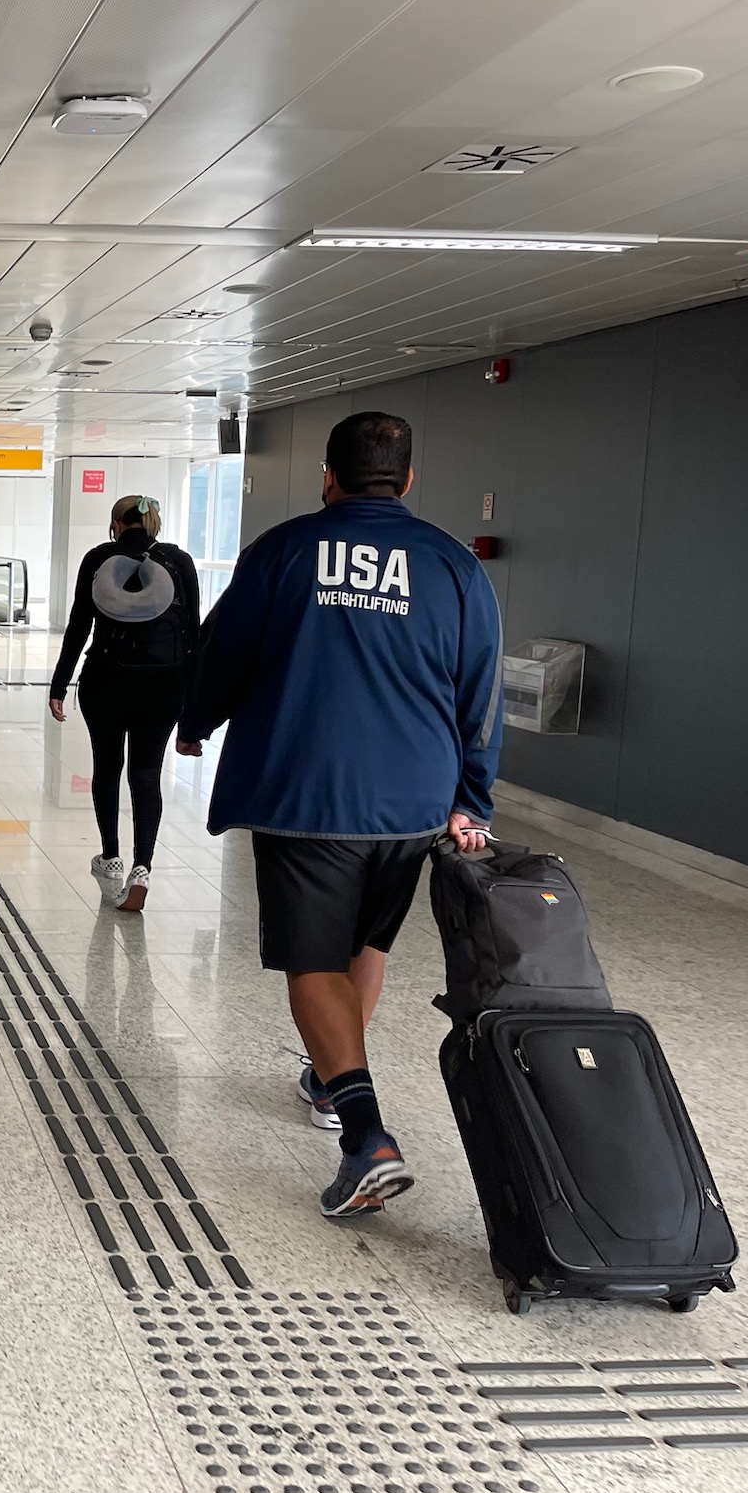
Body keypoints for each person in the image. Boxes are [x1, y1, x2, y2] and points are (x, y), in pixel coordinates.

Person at [175, 412, 500, 1218]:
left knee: (312, 960)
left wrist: (195, 719)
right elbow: (482, 690)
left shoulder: (283, 551)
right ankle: (328, 1077)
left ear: (328, 475)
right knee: (365, 941)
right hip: (413, 802)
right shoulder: (454, 566)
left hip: (308, 790)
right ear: (410, 480)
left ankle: (366, 1138)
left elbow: (227, 650)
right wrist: (473, 797)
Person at [47, 494, 201, 912]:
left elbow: (79, 625)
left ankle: (111, 858)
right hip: (164, 687)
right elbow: (193, 635)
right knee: (147, 774)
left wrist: (59, 685)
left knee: (107, 768)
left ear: (116, 524)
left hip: (106, 682)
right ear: (154, 524)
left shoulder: (99, 558)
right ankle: (143, 867)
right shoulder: (179, 560)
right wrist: (193, 704)